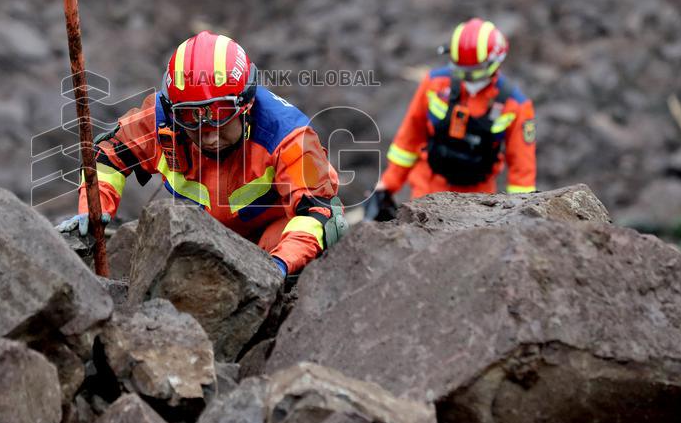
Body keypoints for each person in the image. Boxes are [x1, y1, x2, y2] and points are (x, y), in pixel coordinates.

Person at [57, 30, 348, 277]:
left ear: (245, 107)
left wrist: (277, 268)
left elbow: (318, 213)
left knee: (328, 227)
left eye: (220, 117)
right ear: (174, 112)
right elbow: (108, 155)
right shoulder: (161, 121)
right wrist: (92, 209)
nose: (209, 135)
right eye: (191, 119)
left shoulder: (289, 137)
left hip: (272, 236)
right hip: (206, 237)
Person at [365, 18, 536, 220]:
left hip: (477, 203)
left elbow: (522, 171)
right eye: (460, 70)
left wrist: (519, 216)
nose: (466, 78)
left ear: (494, 63)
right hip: (426, 191)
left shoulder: (515, 106)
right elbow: (410, 137)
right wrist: (388, 183)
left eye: (473, 73)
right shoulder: (435, 84)